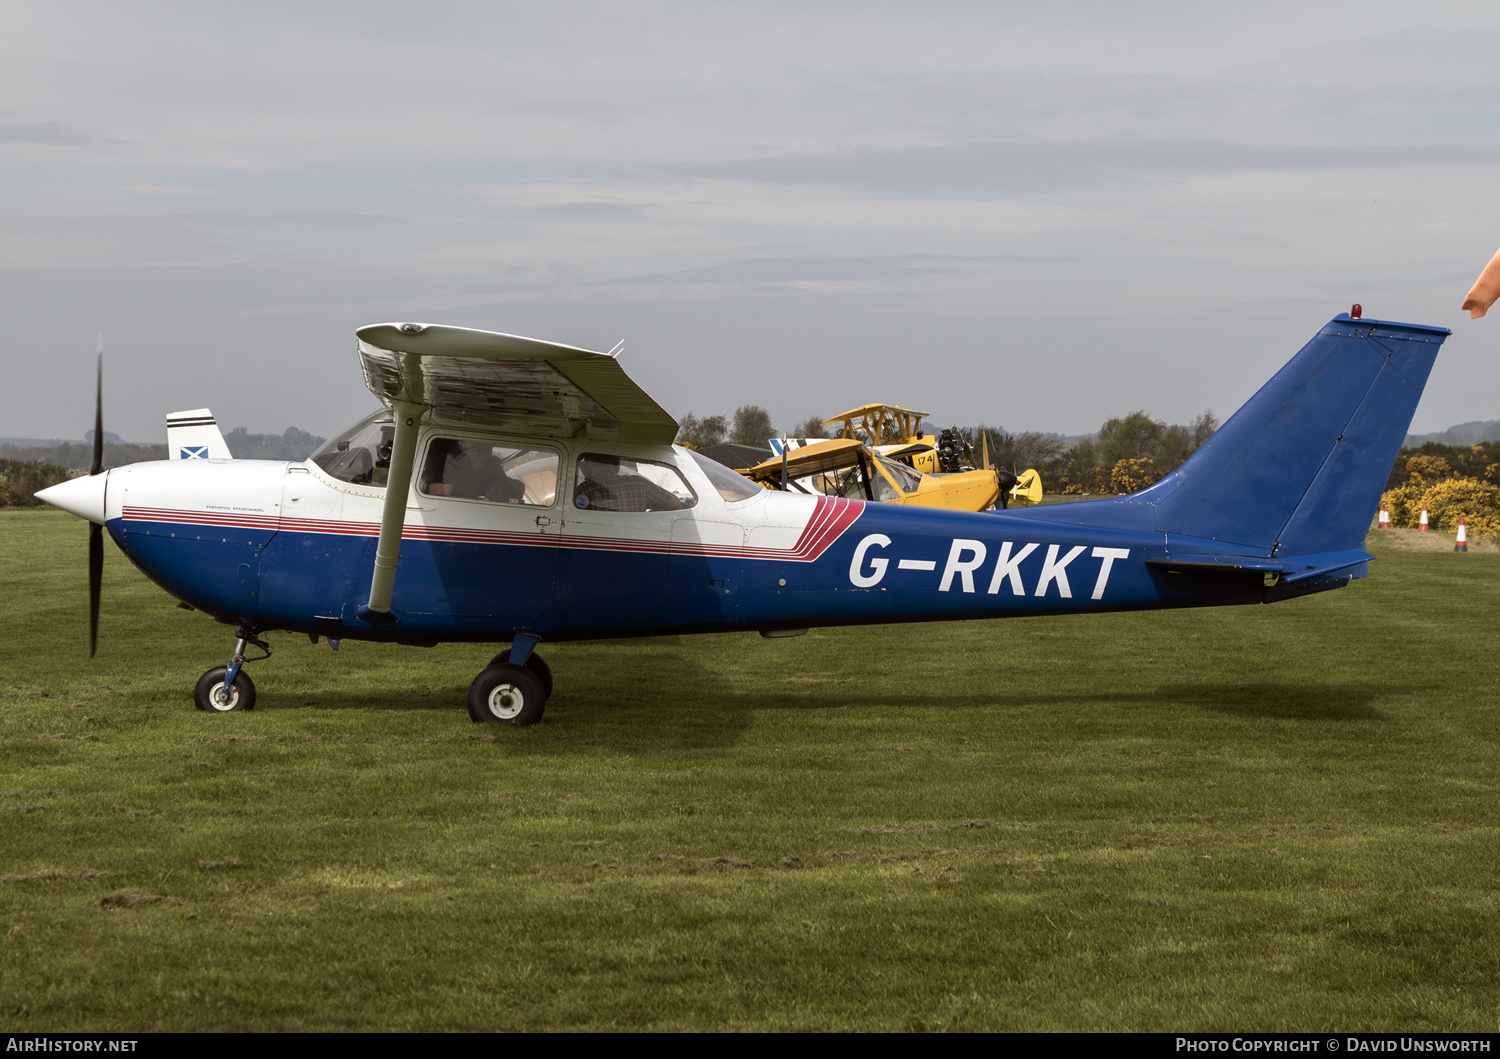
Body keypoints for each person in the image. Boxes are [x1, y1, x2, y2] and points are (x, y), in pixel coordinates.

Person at [422, 439, 523, 502]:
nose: (484, 454)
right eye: (477, 449)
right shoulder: (450, 465)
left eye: (486, 450)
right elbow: (437, 501)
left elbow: (505, 487)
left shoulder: (493, 468)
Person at [574, 454, 683, 512]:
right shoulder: (639, 484)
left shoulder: (582, 491)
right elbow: (675, 502)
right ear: (616, 464)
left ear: (586, 468)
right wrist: (646, 501)